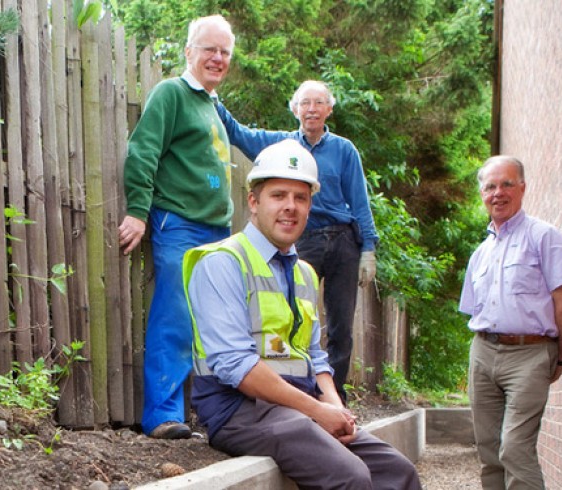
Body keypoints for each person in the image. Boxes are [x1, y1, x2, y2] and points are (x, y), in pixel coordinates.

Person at [184, 139, 420, 489]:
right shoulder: (223, 263)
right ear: (253, 201)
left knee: (398, 472)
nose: (290, 207)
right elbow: (238, 367)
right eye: (278, 195)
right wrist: (316, 411)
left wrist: (335, 408)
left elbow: (314, 356)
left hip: (295, 406)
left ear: (310, 206)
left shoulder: (304, 273)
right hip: (237, 409)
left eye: (301, 198)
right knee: (350, 477)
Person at [215, 80, 378, 403]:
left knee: (341, 324)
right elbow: (238, 133)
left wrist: (368, 248)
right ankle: (290, 391)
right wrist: (212, 95)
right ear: (295, 109)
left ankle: (335, 397)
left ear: (329, 109)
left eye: (319, 103)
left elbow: (359, 201)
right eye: (305, 103)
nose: (312, 109)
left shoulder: (344, 150)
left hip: (343, 241)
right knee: (292, 315)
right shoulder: (281, 146)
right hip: (304, 239)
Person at [119, 15, 237, 440]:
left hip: (217, 230)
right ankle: (163, 415)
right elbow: (143, 149)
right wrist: (137, 210)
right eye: (210, 49)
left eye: (225, 52)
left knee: (218, 327)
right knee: (177, 317)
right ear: (189, 52)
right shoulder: (172, 93)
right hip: (181, 223)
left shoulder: (212, 106)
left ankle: (215, 414)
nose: (218, 58)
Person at [459, 155, 562, 489]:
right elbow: (477, 313)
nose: (498, 193)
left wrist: (560, 357)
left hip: (530, 354)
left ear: (522, 188)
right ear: (482, 193)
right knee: (488, 451)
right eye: (490, 186)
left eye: (507, 184)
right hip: (482, 353)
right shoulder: (480, 254)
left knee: (514, 448)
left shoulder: (545, 238)